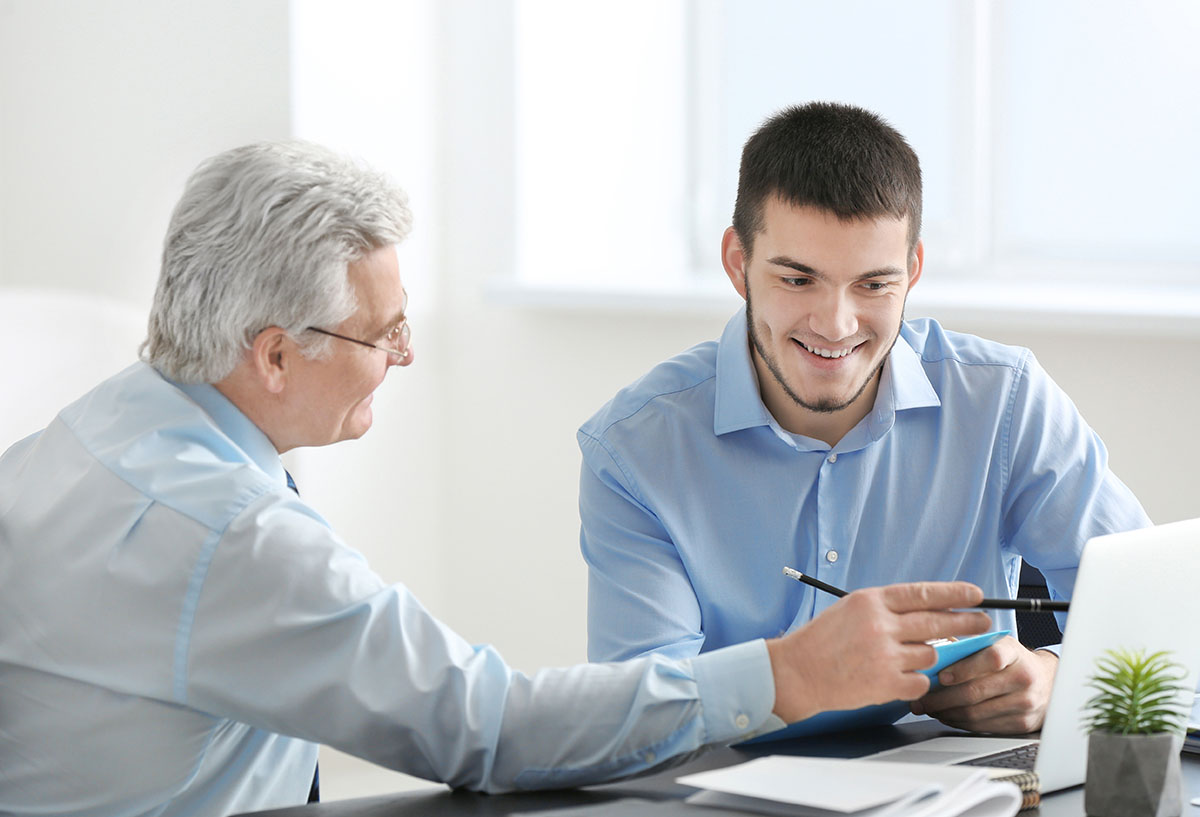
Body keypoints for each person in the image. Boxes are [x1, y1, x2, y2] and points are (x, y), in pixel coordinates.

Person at [0, 141, 992, 817]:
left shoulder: (94, 430)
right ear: (272, 355)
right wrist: (792, 672)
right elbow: (486, 727)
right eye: (383, 330)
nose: (406, 353)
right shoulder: (226, 537)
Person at [578, 101, 1152, 736]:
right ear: (738, 263)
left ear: (912, 272)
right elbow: (636, 719)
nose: (837, 325)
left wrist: (1058, 680)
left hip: (960, 788)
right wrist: (799, 674)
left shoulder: (1004, 402)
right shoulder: (632, 451)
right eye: (798, 280)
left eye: (874, 285)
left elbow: (1165, 624)